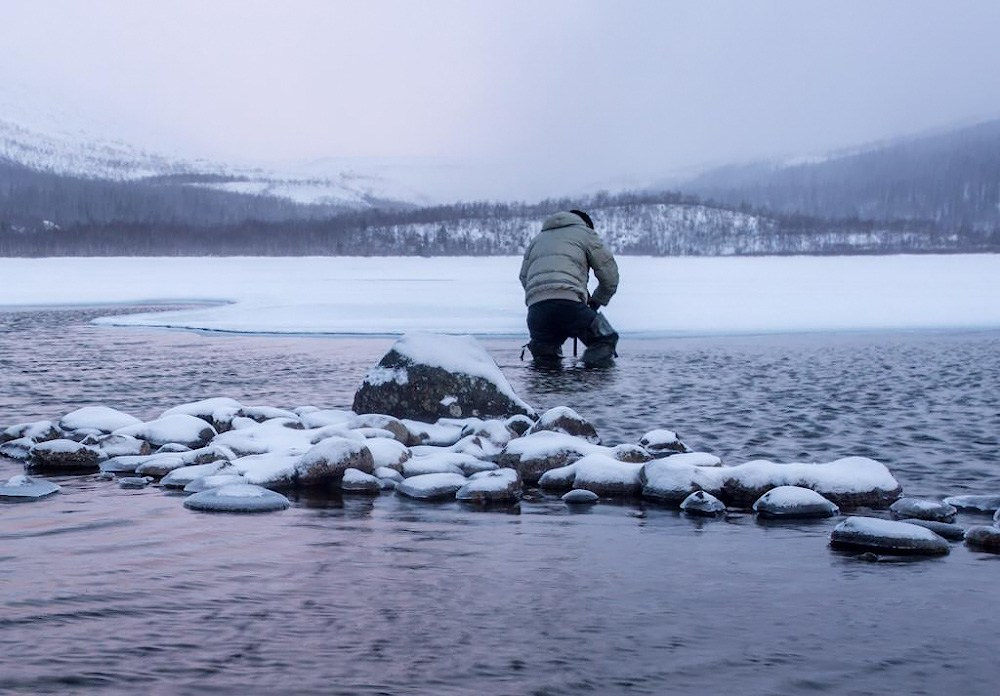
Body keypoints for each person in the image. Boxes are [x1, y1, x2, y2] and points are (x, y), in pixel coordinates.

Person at [519, 209, 620, 368]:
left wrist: (541, 297)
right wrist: (595, 301)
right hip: (569, 307)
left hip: (536, 313)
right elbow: (610, 276)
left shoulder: (537, 240)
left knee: (546, 359)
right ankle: (587, 387)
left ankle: (544, 390)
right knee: (605, 339)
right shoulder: (585, 233)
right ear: (587, 225)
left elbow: (524, 277)